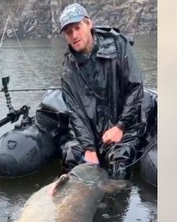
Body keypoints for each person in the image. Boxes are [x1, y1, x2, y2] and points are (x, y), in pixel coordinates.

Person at [58, 3, 145, 180]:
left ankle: (115, 204)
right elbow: (76, 113)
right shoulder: (67, 70)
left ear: (89, 23)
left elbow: (135, 87)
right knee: (72, 158)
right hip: (91, 132)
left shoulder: (118, 44)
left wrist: (120, 126)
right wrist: (88, 148)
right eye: (68, 32)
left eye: (77, 27)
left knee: (120, 166)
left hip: (124, 126)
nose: (74, 35)